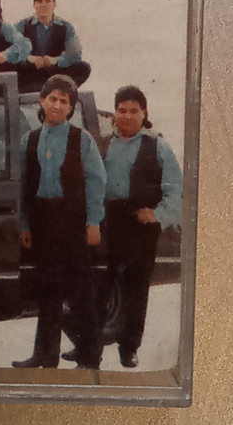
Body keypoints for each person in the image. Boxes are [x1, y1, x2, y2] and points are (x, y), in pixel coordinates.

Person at [12, 74, 106, 370]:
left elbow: (96, 181)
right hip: (43, 221)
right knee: (47, 290)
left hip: (73, 222)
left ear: (71, 108)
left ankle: (90, 355)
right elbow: (23, 186)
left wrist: (94, 221)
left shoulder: (82, 139)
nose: (57, 104)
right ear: (42, 101)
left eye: (64, 101)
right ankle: (45, 354)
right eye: (52, 98)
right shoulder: (29, 140)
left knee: (81, 292)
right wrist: (24, 225)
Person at [101, 85, 183, 368]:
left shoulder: (158, 147)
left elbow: (176, 190)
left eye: (133, 110)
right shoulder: (104, 143)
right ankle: (91, 346)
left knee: (136, 287)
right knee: (102, 282)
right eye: (121, 110)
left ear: (144, 113)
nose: (126, 115)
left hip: (140, 224)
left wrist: (158, 214)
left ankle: (129, 348)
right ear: (115, 113)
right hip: (109, 221)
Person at [16, 0, 91, 91]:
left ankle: (54, 87)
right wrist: (30, 58)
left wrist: (54, 60)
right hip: (32, 71)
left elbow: (75, 53)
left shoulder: (65, 26)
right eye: (39, 1)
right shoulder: (23, 25)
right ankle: (43, 88)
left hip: (54, 72)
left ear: (54, 4)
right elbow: (10, 49)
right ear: (34, 5)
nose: (43, 4)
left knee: (83, 67)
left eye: (47, 1)